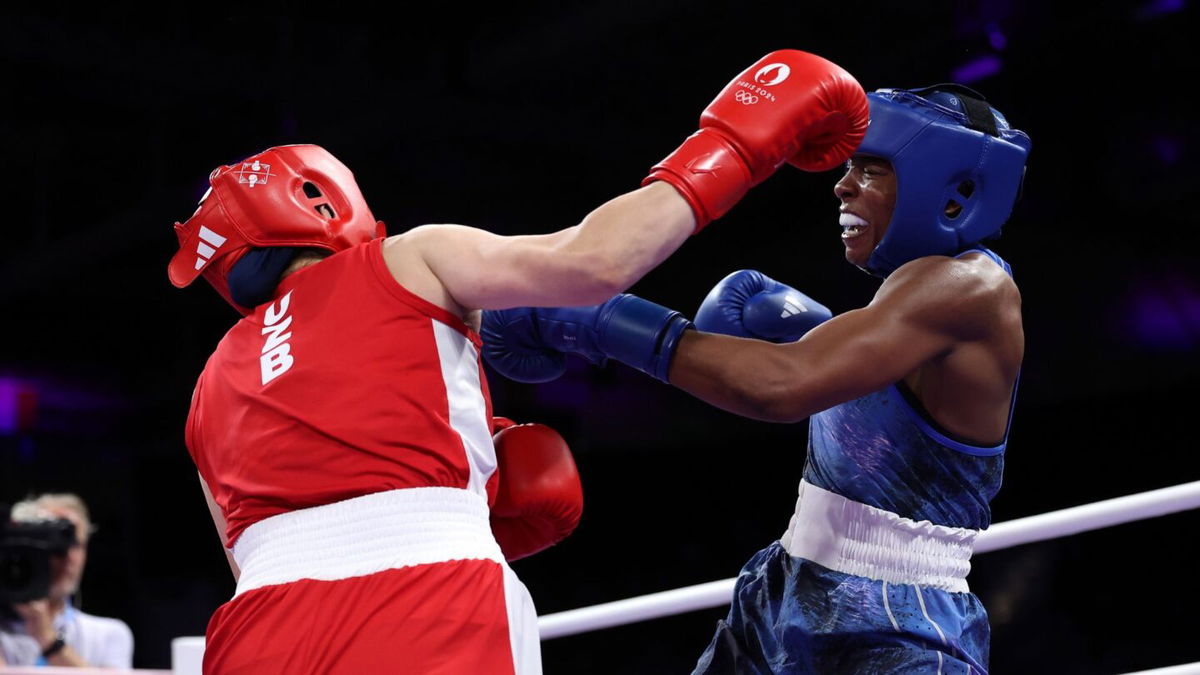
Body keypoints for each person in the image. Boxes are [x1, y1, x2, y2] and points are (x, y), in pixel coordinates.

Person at [166, 49, 868, 674]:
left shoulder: (206, 389)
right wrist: (735, 143)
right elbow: (597, 262)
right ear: (323, 196)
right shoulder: (407, 257)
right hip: (424, 594)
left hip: (256, 628)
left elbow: (249, 554)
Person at [482, 83, 1031, 673]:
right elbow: (865, 403)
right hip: (786, 588)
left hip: (900, 621)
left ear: (957, 195)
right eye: (850, 166)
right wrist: (812, 328)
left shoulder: (971, 287)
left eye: (871, 170)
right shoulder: (904, 305)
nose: (843, 185)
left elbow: (783, 387)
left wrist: (598, 320)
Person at [0, 493, 134, 668]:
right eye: (56, 546)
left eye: (75, 544)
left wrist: (49, 640)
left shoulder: (108, 634)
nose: (67, 557)